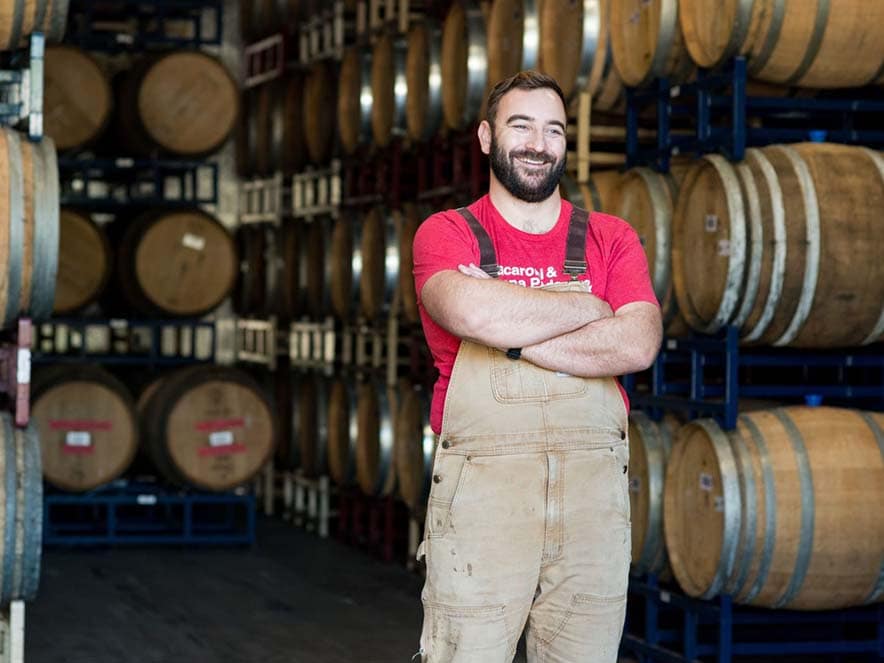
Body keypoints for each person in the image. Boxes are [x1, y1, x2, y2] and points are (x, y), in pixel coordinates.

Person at [410, 70, 662, 662]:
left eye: (554, 130)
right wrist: (587, 309)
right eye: (520, 125)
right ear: (485, 137)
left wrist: (515, 337)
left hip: (591, 512)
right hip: (484, 508)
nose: (537, 143)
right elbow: (466, 307)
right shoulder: (447, 233)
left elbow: (637, 344)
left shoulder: (610, 236)